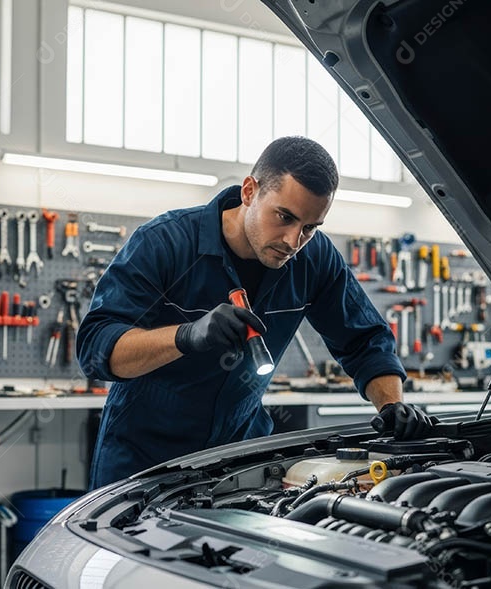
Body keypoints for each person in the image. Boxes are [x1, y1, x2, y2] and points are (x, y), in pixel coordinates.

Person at [77, 136, 437, 489]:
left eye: (309, 228)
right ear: (250, 191)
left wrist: (391, 406)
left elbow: (365, 339)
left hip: (238, 459)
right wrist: (186, 336)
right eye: (284, 217)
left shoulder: (314, 259)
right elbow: (97, 349)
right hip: (143, 462)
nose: (293, 242)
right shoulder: (164, 242)